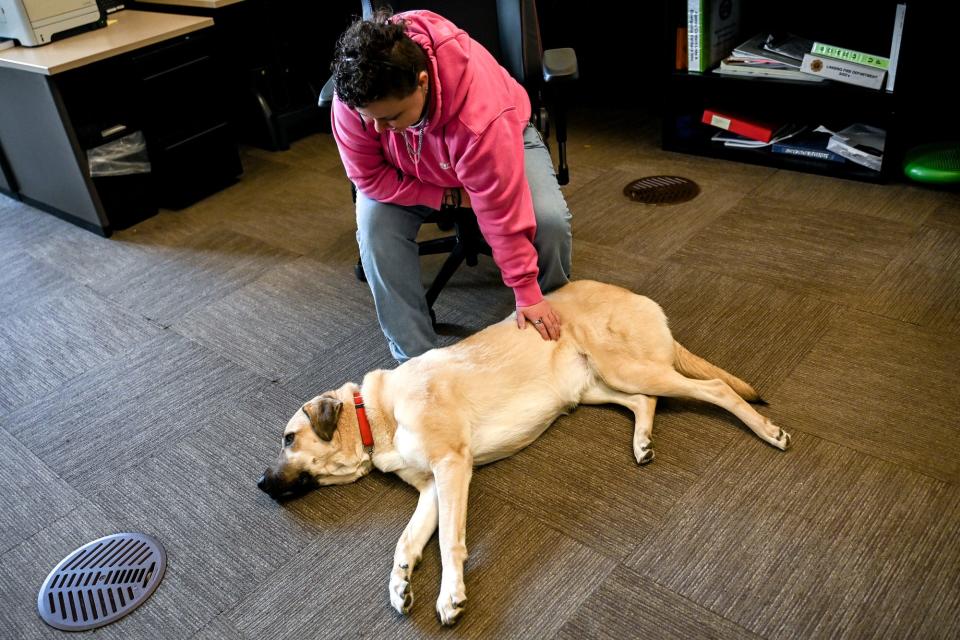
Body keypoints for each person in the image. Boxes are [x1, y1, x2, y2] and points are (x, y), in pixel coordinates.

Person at [330, 8, 572, 362]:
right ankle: (417, 363)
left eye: (391, 117)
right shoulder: (354, 101)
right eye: (373, 120)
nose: (379, 130)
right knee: (374, 232)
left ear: (423, 82)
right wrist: (446, 196)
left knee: (549, 221)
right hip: (409, 171)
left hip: (501, 140)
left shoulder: (479, 112)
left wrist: (525, 289)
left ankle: (555, 321)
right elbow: (368, 177)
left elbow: (499, 209)